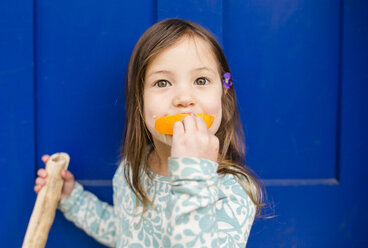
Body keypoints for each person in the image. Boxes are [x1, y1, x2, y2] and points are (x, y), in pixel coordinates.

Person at [34, 18, 266, 247]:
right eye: (163, 83)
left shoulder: (233, 189)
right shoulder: (131, 171)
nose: (184, 99)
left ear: (223, 96)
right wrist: (73, 198)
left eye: (201, 80)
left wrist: (193, 174)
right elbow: (124, 234)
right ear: (140, 101)